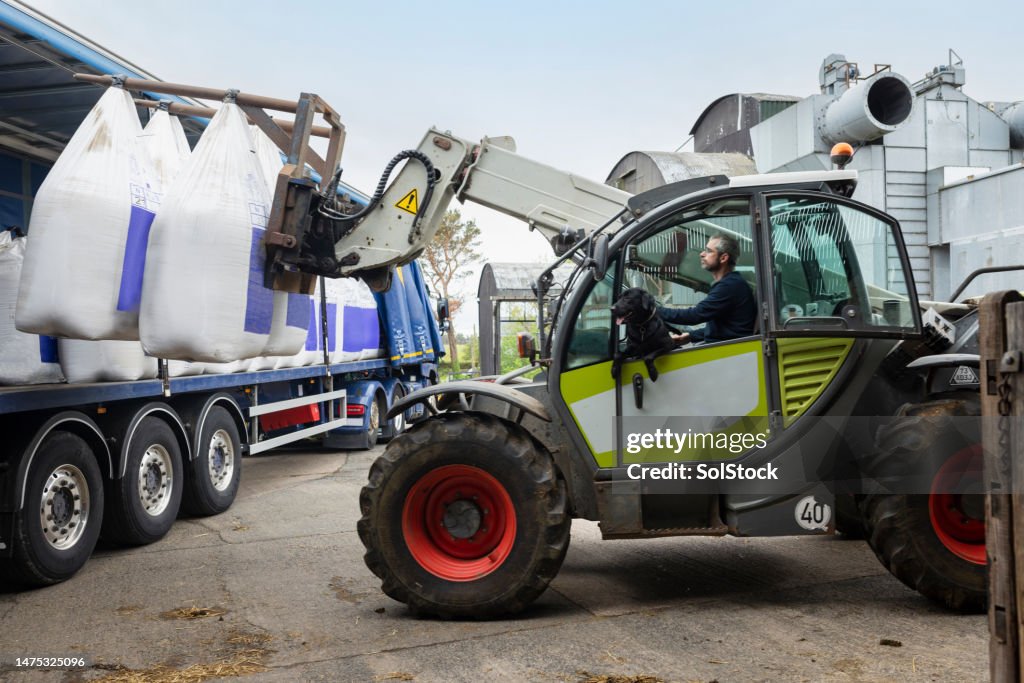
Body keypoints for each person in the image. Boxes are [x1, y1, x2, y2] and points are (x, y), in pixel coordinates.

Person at [658, 233, 757, 345]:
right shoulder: (730, 282)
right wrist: (691, 336)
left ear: (723, 258)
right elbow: (723, 328)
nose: (702, 254)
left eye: (709, 251)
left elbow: (695, 315)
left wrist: (654, 310)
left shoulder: (729, 286)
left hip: (729, 352)